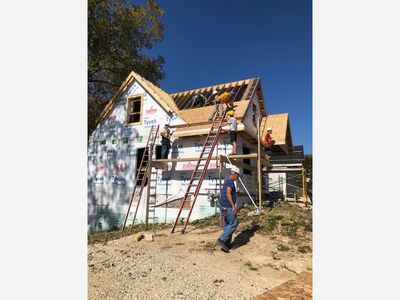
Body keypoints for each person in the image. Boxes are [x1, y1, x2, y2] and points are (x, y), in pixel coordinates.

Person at [216, 165, 240, 252]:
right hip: (228, 206)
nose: (238, 177)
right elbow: (228, 193)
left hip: (223, 206)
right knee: (234, 224)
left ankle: (226, 243)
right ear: (234, 174)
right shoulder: (230, 182)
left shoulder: (226, 181)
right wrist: (233, 206)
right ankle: (222, 239)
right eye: (238, 175)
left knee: (227, 224)